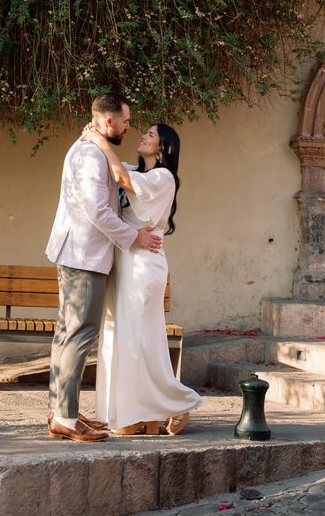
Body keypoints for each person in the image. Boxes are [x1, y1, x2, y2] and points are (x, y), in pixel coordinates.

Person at [45, 92, 162, 443]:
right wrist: (133, 237)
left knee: (67, 333)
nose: (129, 126)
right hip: (84, 256)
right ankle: (65, 418)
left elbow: (124, 175)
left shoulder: (93, 149)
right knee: (80, 334)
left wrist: (99, 140)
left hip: (81, 255)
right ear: (108, 120)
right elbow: (98, 212)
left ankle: (60, 411)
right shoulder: (88, 155)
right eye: (126, 121)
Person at [82, 121, 202, 435]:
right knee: (119, 337)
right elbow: (111, 168)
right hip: (124, 262)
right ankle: (130, 413)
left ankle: (179, 403)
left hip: (144, 266)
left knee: (139, 338)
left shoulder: (163, 177)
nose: (143, 136)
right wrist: (93, 135)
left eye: (150, 135)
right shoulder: (137, 169)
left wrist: (99, 139)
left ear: (163, 147)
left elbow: (120, 176)